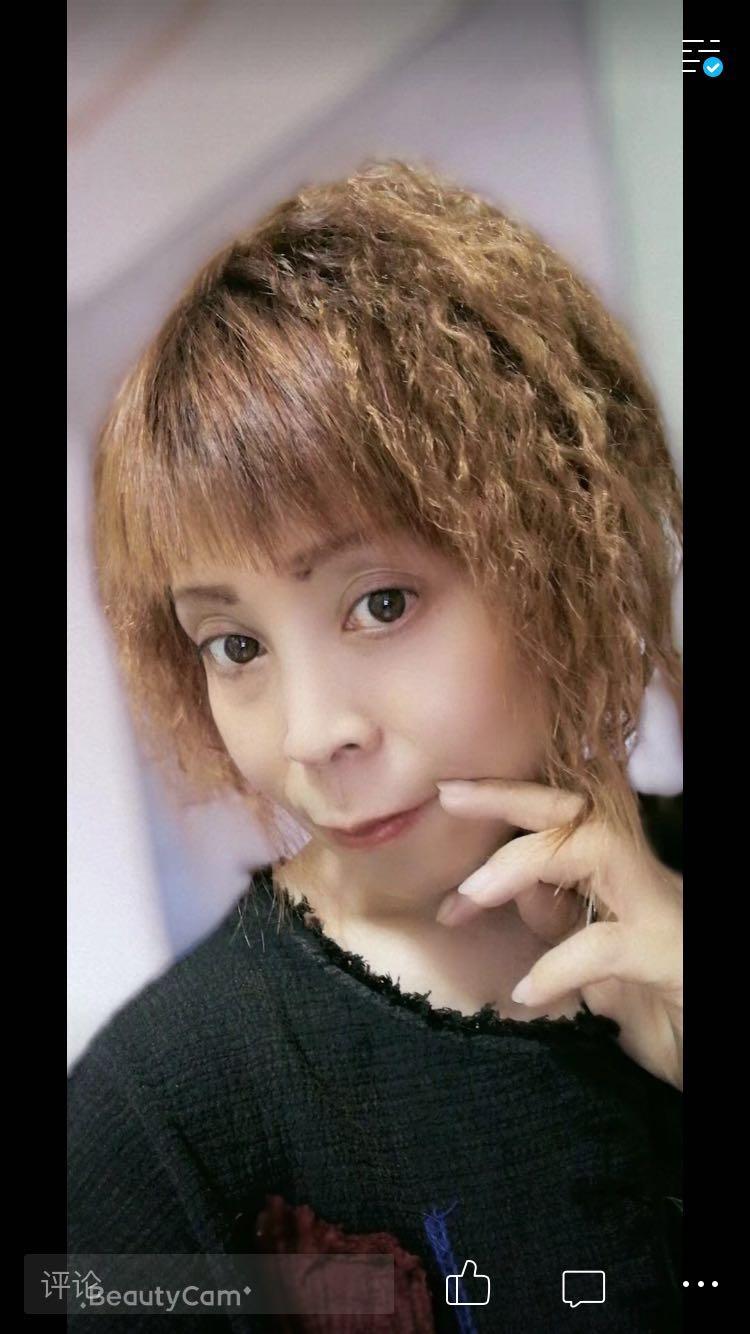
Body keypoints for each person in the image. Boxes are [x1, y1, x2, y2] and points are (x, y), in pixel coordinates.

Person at [69, 159, 683, 1332]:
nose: (313, 735)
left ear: (556, 547)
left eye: (381, 603)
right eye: (235, 644)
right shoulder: (159, 1118)